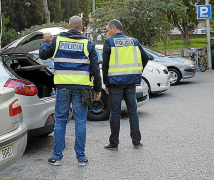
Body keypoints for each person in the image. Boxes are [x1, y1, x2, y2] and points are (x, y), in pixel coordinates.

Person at [39, 16, 102, 166]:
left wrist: (45, 41)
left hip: (63, 87)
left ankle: (57, 157)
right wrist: (97, 89)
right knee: (80, 121)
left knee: (60, 120)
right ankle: (81, 158)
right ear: (81, 28)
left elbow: (42, 55)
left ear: (68, 26)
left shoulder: (57, 41)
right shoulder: (88, 44)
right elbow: (95, 69)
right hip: (82, 88)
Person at [102, 19, 149, 151]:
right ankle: (137, 142)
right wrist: (138, 72)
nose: (108, 32)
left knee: (115, 113)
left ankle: (114, 143)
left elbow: (105, 65)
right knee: (133, 112)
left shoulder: (109, 42)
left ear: (113, 28)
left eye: (108, 30)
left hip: (115, 83)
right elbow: (145, 57)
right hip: (131, 82)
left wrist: (106, 82)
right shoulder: (134, 41)